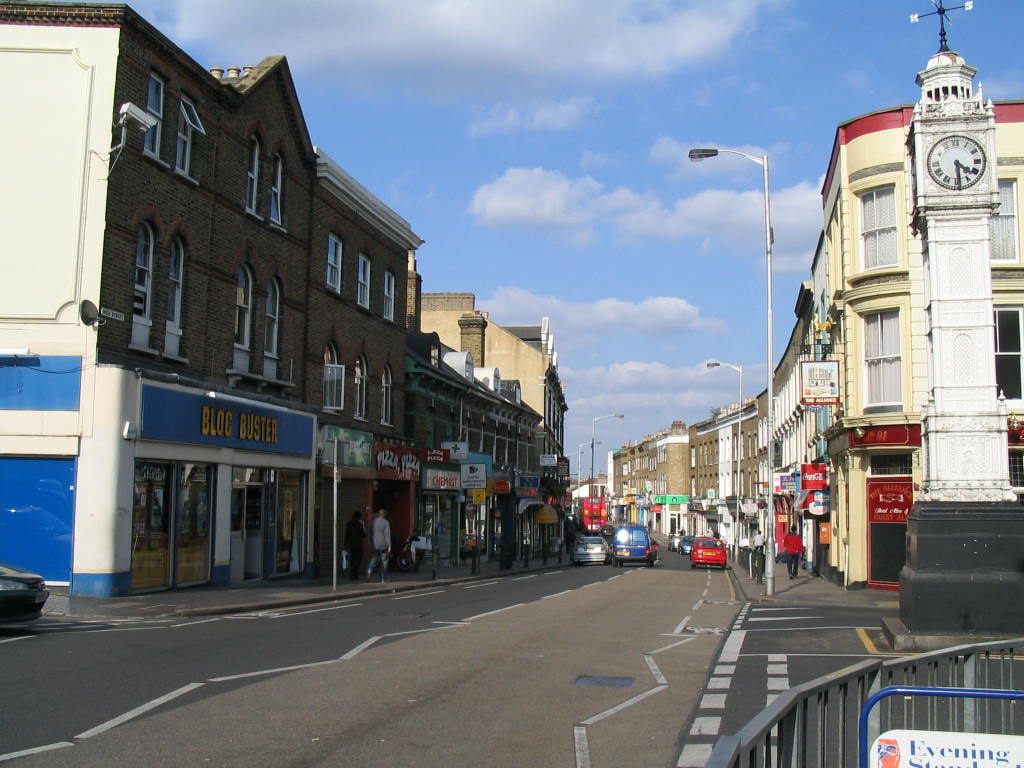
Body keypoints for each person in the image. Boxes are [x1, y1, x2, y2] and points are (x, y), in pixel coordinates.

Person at [366, 508, 392, 582]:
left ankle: (369, 569)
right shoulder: (386, 522)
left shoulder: (373, 521)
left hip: (375, 544)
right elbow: (387, 535)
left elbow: (370, 532)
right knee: (384, 562)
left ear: (378, 514)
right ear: (384, 514)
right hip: (383, 544)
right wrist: (389, 545)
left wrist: (371, 541)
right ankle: (383, 579)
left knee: (374, 558)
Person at [343, 510, 366, 581]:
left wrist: (345, 544)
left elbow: (347, 534)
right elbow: (364, 534)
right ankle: (355, 574)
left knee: (353, 559)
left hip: (352, 545)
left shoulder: (349, 523)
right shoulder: (360, 523)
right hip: (359, 544)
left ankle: (353, 574)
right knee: (358, 559)